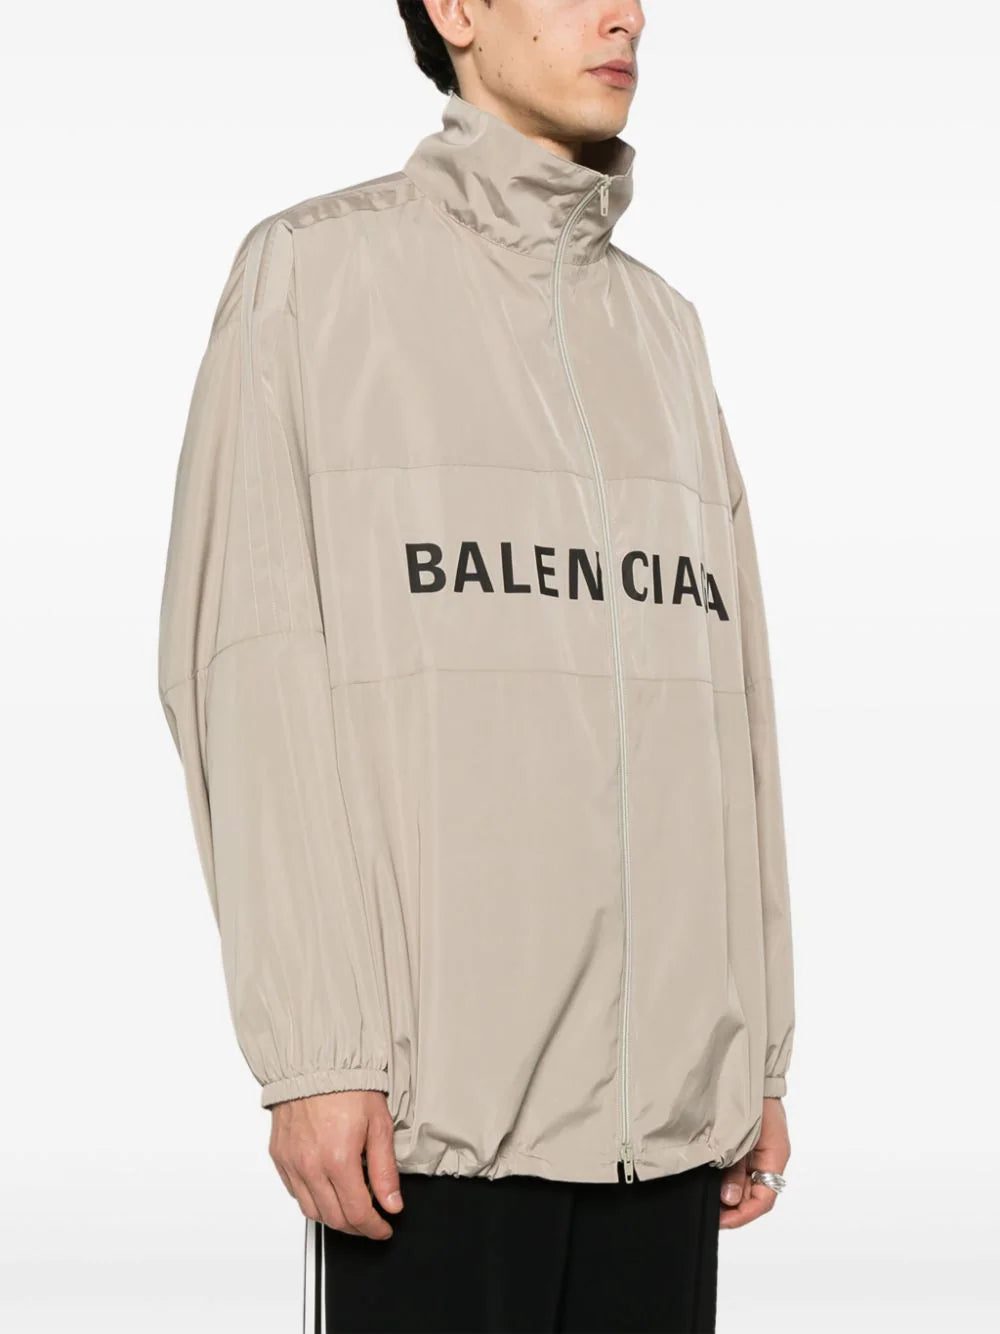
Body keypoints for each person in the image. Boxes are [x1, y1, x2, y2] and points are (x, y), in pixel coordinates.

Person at [156, 1, 795, 1329]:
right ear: (456, 9)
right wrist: (314, 1051)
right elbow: (248, 677)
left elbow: (731, 713)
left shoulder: (664, 330)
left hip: (668, 1124)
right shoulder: (313, 277)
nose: (625, 14)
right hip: (431, 1124)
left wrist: (754, 1046)